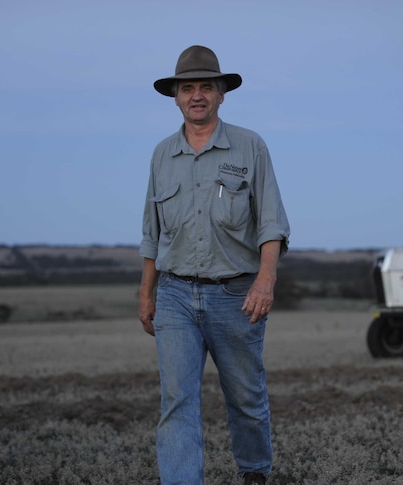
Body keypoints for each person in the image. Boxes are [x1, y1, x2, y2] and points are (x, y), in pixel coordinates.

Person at [138, 45, 290, 485]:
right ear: (176, 97)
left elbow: (272, 224)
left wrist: (265, 282)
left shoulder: (250, 147)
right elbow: (151, 233)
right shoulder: (161, 155)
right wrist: (147, 293)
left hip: (236, 296)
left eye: (207, 86)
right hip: (175, 296)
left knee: (245, 397)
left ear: (222, 94)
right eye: (188, 88)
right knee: (178, 401)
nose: (197, 95)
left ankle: (254, 474)